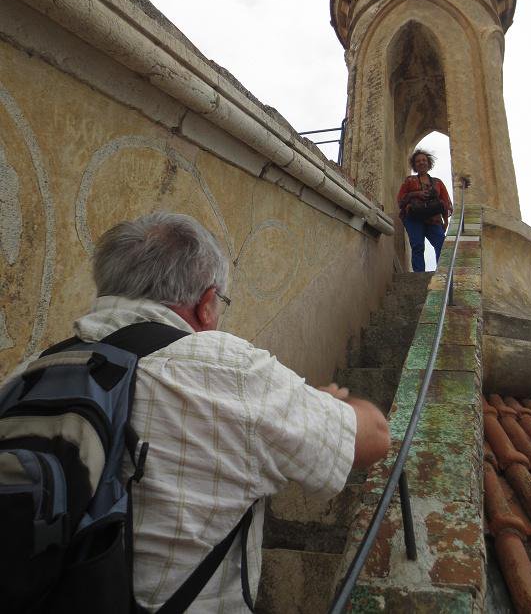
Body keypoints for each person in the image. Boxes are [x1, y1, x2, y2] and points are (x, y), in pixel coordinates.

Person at [61, 211, 390, 612]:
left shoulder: (36, 369)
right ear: (206, 304)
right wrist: (332, 405)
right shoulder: (227, 368)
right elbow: (374, 436)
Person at [397, 149, 453, 272]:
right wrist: (416, 193)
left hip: (433, 219)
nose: (421, 163)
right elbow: (400, 200)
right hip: (414, 218)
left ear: (428, 163)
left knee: (441, 244)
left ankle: (443, 273)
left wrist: (445, 222)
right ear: (414, 165)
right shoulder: (409, 180)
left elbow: (445, 203)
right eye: (418, 161)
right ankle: (419, 275)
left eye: (424, 160)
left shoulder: (437, 182)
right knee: (417, 246)